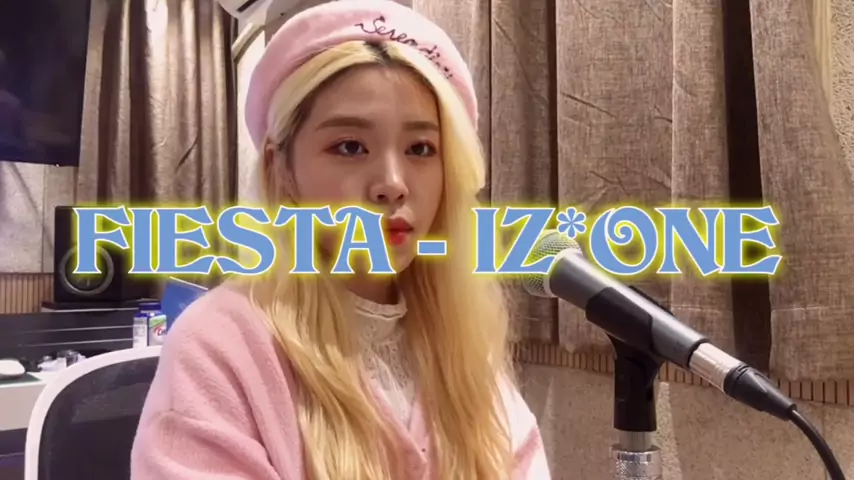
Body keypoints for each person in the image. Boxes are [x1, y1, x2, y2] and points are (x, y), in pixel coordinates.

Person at [130, 1, 550, 479]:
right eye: (350, 147)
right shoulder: (220, 347)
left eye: (420, 148)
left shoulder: (464, 344)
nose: (392, 184)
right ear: (281, 169)